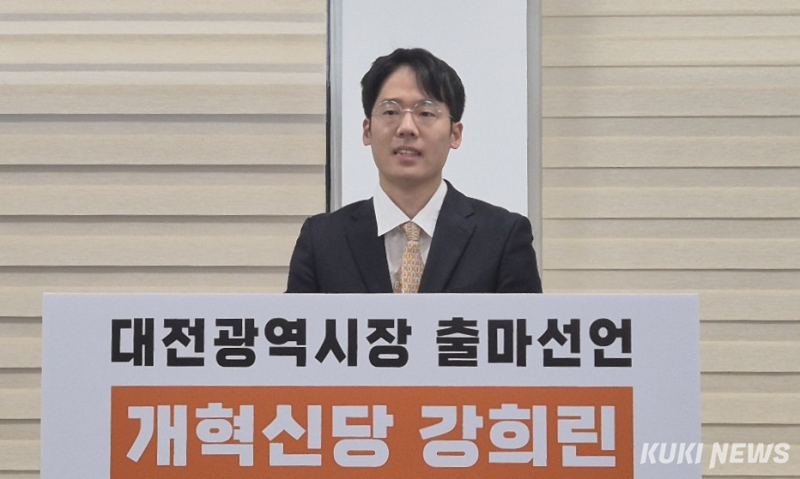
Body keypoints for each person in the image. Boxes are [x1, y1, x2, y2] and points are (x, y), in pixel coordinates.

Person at [286, 47, 542, 294]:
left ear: (455, 134)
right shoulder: (322, 240)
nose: (406, 127)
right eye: (390, 111)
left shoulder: (502, 237)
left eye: (426, 113)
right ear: (367, 131)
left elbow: (524, 324)